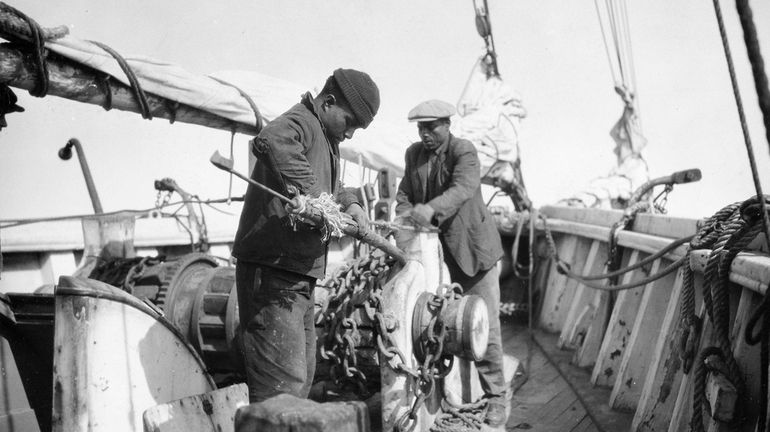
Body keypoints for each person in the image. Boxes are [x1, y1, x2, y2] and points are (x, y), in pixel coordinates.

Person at [232, 68, 379, 403]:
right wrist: (322, 202)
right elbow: (272, 138)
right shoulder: (300, 121)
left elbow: (330, 188)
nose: (351, 134)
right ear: (328, 102)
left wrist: (351, 203)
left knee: (300, 379)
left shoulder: (325, 138)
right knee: (280, 389)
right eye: (350, 122)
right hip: (272, 273)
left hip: (297, 275)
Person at [395, 99, 508, 427]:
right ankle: (443, 395)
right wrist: (404, 216)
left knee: (483, 326)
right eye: (420, 128)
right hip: (433, 256)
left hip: (473, 254)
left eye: (431, 127)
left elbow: (463, 189)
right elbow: (404, 195)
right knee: (436, 325)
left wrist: (429, 209)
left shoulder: (464, 151)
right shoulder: (413, 155)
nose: (425, 134)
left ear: (447, 125)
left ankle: (497, 398)